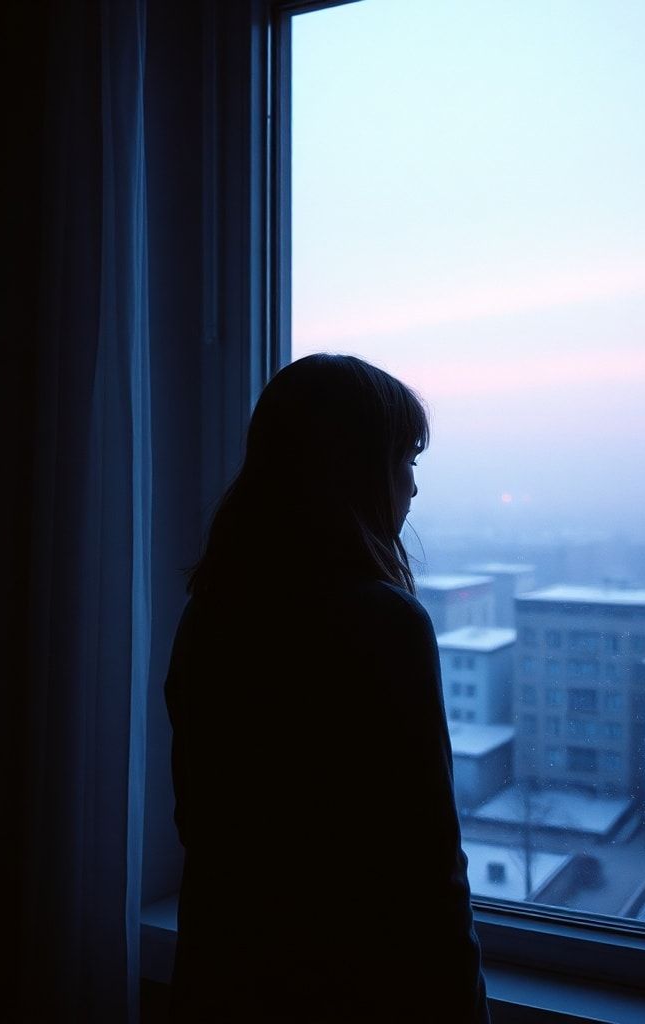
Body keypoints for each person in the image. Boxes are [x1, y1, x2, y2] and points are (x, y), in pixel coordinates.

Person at [164, 353, 490, 1023]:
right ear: (357, 470)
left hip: (225, 977)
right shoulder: (382, 624)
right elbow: (427, 865)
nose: (414, 489)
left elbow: (203, 821)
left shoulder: (212, 613)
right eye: (406, 462)